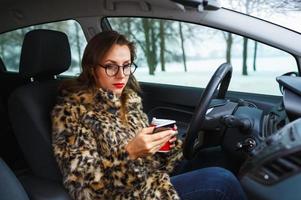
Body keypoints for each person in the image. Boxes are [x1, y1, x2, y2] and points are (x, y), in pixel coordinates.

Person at [51, 31, 247, 200]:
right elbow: (83, 188)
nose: (121, 75)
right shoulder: (72, 112)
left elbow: (150, 158)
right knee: (221, 182)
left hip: (153, 176)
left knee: (224, 156)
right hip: (127, 194)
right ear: (93, 69)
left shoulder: (126, 99)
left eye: (126, 65)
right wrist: (129, 153)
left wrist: (165, 144)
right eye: (111, 66)